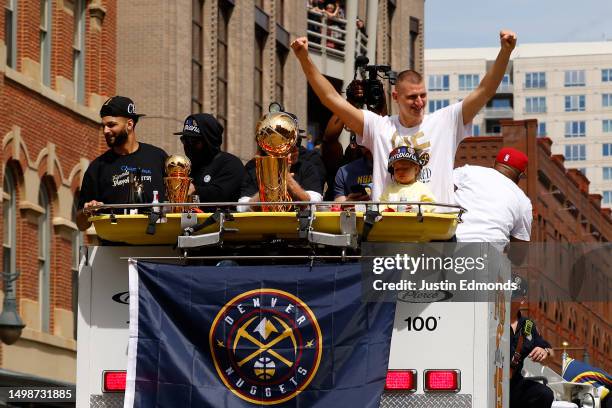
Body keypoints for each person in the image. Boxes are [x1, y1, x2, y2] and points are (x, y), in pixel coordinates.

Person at [290, 30, 517, 206]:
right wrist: (304, 58)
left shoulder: (446, 121)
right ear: (396, 96)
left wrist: (505, 52)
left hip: (436, 234)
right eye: (411, 97)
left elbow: (484, 91)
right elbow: (331, 99)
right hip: (389, 233)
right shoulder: (378, 127)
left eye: (423, 95)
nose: (419, 102)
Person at [76, 96, 167, 231]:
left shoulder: (157, 157)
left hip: (157, 244)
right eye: (104, 126)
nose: (105, 131)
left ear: (129, 124)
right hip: (114, 247)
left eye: (111, 125)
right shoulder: (98, 167)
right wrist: (88, 211)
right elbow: (81, 225)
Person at [453, 147, 532, 245]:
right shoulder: (523, 202)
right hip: (487, 253)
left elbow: (440, 188)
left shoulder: (467, 171)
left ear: (494, 163)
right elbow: (519, 249)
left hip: (450, 245)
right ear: (520, 175)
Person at [173, 113, 244, 204]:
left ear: (209, 141)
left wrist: (194, 190)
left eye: (193, 141)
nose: (188, 145)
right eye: (185, 140)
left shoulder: (231, 164)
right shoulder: (187, 168)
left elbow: (222, 194)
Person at [510, 276, 555, 408]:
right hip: (490, 382)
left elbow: (549, 354)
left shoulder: (528, 325)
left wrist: (545, 352)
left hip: (514, 384)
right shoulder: (490, 320)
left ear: (522, 300)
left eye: (513, 296)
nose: (509, 299)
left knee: (544, 393)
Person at [238, 144, 323, 211]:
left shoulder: (307, 168)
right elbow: (242, 208)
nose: (295, 149)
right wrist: (272, 183)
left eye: (296, 144)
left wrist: (287, 180)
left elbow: (314, 203)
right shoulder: (254, 169)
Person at [379, 146, 435, 212]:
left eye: (405, 168)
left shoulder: (421, 188)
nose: (400, 172)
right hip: (393, 221)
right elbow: (382, 203)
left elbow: (431, 204)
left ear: (416, 169)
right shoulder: (390, 188)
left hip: (414, 221)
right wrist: (383, 210)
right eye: (397, 169)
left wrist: (419, 209)